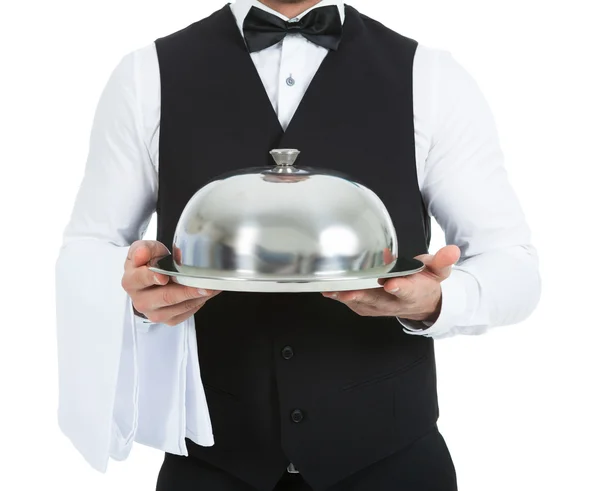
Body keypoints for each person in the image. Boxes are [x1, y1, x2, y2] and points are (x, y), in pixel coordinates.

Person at [54, 0, 542, 490]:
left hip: (393, 464)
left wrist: (436, 302)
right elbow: (88, 249)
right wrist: (137, 295)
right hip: (211, 465)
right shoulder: (146, 74)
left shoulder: (431, 76)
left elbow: (513, 265)